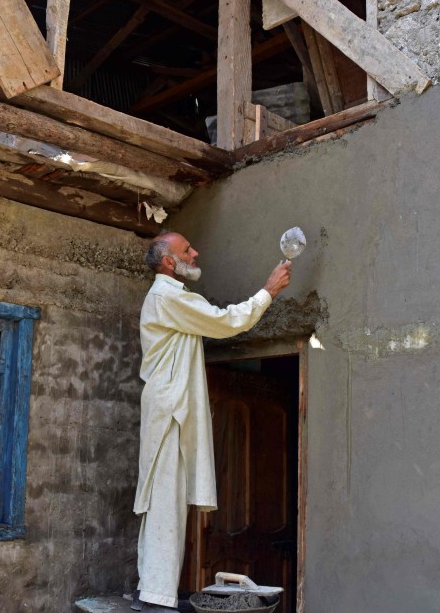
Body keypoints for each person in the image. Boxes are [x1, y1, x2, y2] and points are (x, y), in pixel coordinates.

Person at [132, 232, 292, 611]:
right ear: (170, 262)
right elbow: (225, 322)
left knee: (167, 500)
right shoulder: (167, 296)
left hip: (171, 408)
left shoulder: (171, 296)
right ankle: (156, 597)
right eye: (187, 249)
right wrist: (268, 292)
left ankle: (155, 593)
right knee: (165, 502)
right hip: (170, 410)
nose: (195, 252)